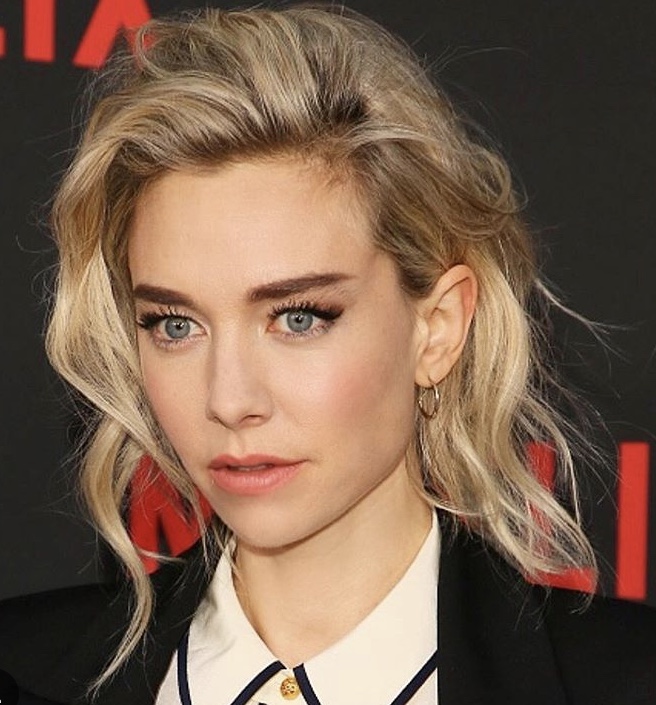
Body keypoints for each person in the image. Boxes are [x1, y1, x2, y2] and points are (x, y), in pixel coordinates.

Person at [0, 5, 654, 705]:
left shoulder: (624, 681)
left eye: (299, 317)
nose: (229, 399)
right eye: (175, 325)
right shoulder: (20, 669)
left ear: (436, 329)